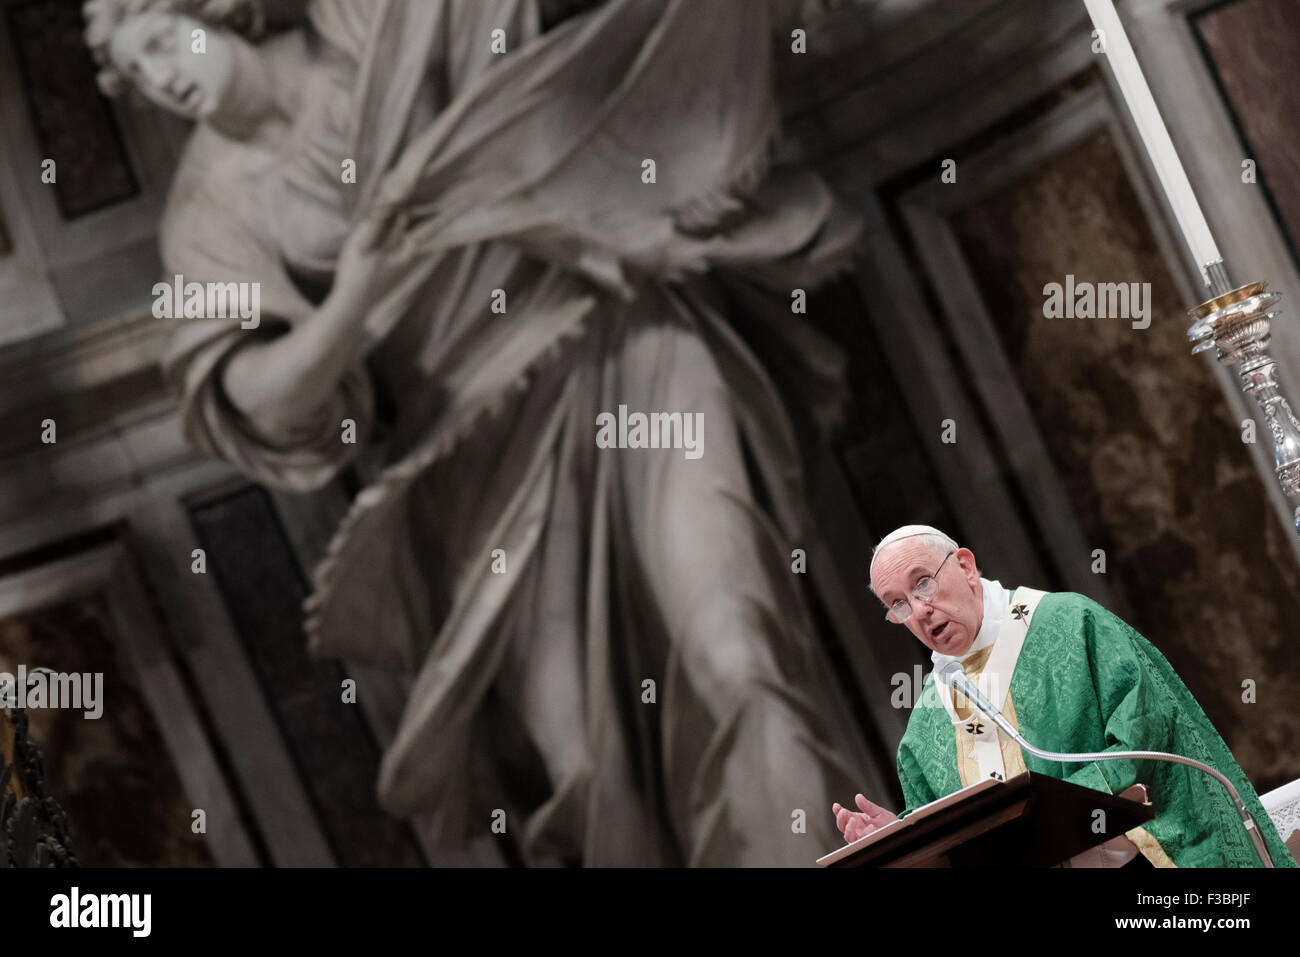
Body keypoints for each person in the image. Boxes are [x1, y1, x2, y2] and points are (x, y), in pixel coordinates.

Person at [86, 0, 869, 865]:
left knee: (735, 647)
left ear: (220, 9)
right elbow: (254, 397)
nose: (164, 77)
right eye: (139, 74)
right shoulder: (207, 216)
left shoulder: (364, 24)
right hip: (467, 454)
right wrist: (353, 295)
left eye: (163, 40)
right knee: (583, 766)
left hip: (617, 335)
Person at [832, 524, 1297, 868]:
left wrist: (1049, 824)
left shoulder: (1070, 625)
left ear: (966, 567)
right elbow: (951, 848)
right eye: (898, 604)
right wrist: (900, 840)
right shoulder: (926, 726)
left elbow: (1147, 733)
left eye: (922, 583)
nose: (918, 609)